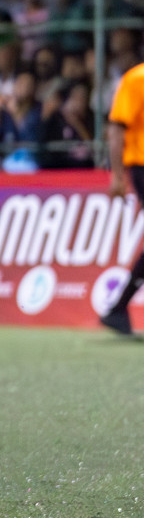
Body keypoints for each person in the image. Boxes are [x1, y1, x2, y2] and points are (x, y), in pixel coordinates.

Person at [99, 59, 144, 335]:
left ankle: (118, 308)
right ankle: (117, 308)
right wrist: (117, 176)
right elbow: (116, 128)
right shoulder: (136, 78)